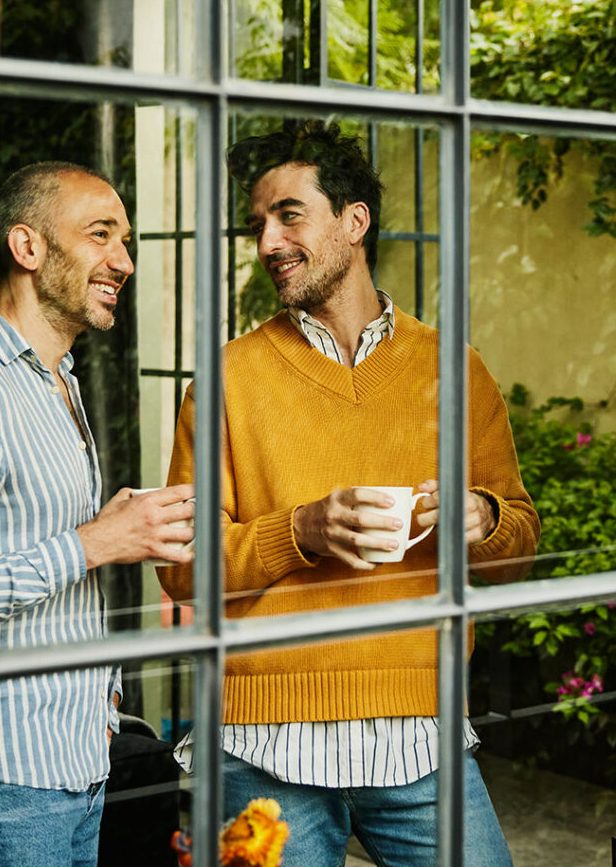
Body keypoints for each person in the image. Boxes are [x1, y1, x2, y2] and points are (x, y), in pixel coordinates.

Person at [158, 122, 539, 866]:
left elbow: (518, 546)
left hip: (419, 733)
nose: (267, 241)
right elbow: (180, 567)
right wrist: (300, 531)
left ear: (353, 221)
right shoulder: (228, 380)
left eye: (289, 214)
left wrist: (483, 520)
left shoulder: (453, 370)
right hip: (258, 749)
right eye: (258, 223)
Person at [0, 161, 194, 867]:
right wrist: (94, 541)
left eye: (127, 239)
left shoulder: (59, 383)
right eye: (101, 235)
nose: (125, 261)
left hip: (77, 759)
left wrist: (103, 700)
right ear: (28, 248)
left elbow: (45, 552)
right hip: (7, 780)